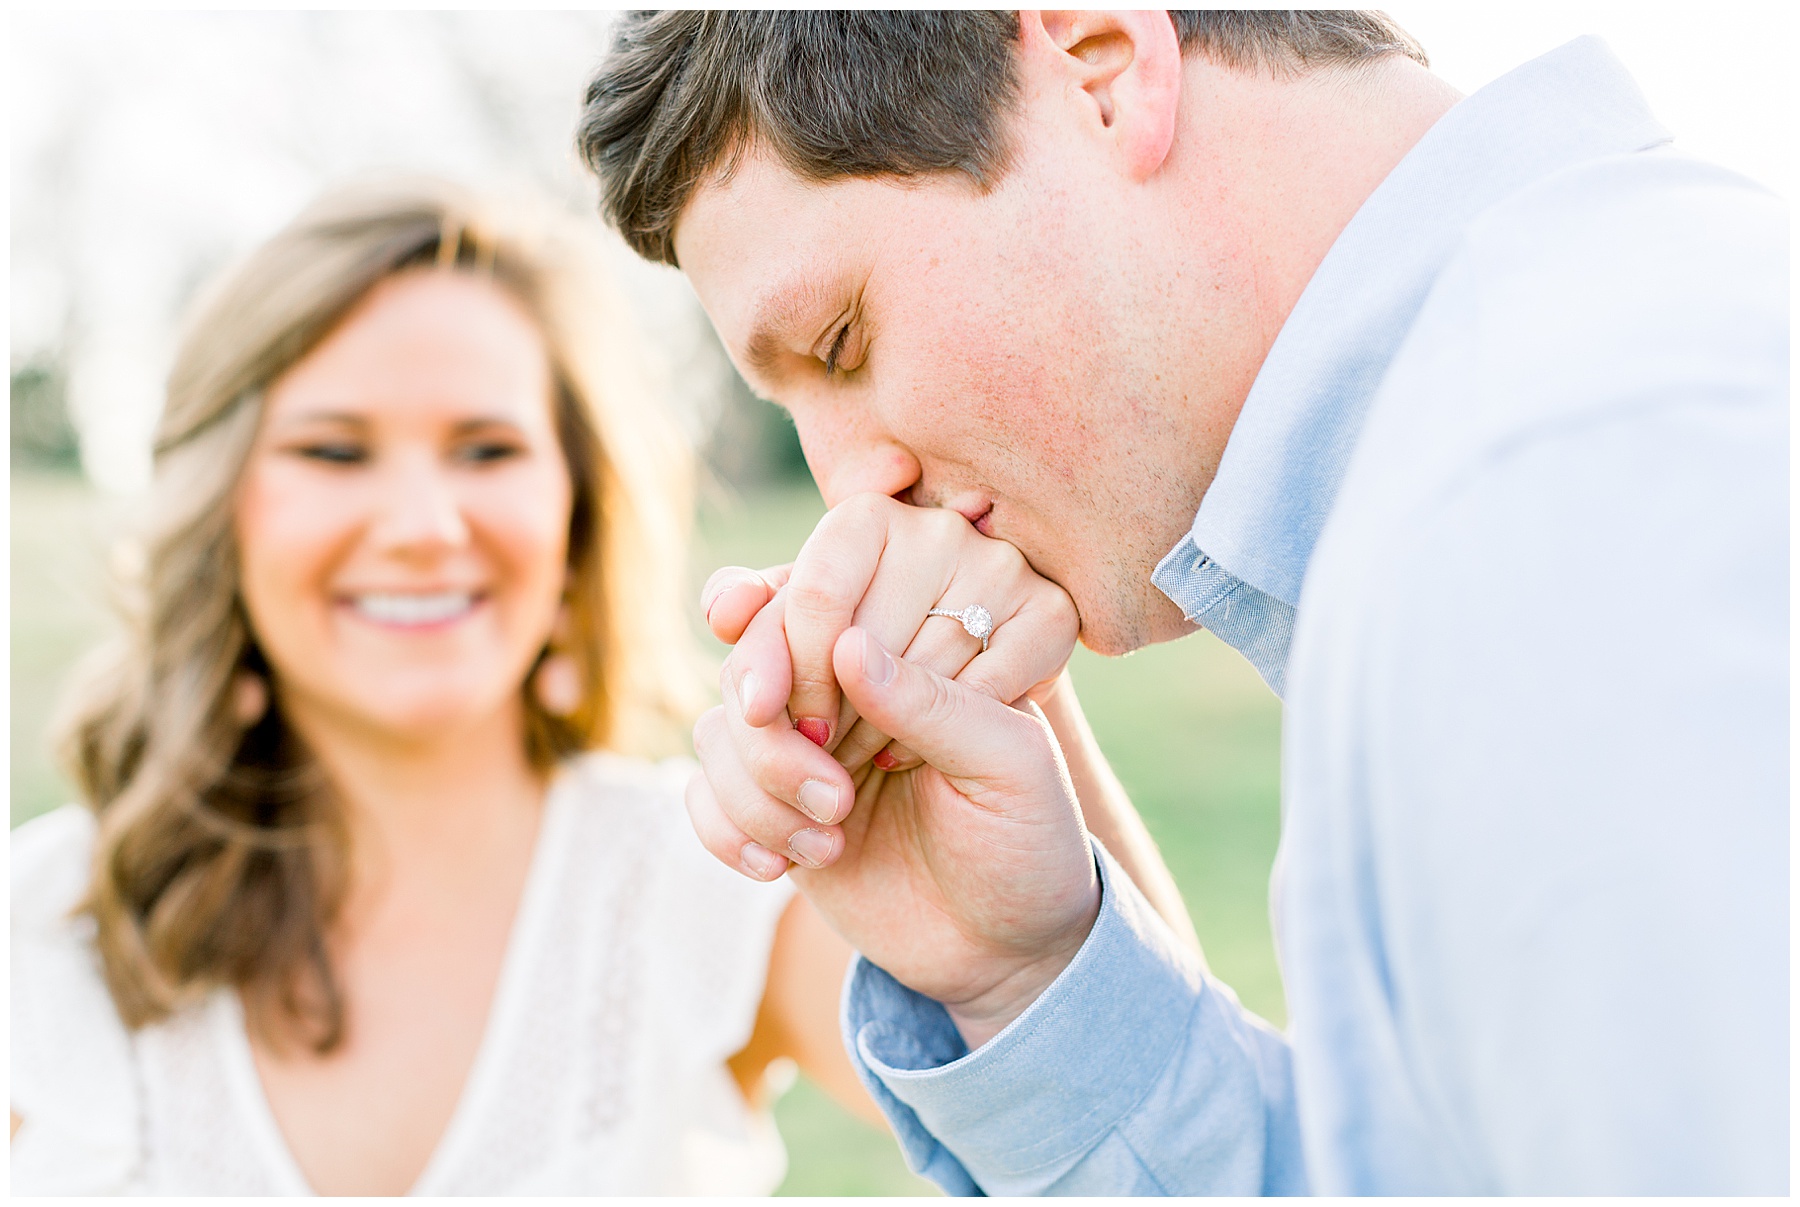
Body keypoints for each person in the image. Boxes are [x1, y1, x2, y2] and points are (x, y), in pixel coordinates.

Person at [577, 10, 1788, 1196]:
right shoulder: (1521, 443)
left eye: (843, 341)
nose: (852, 485)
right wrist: (1024, 977)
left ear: (1100, 67)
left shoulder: (1557, 502)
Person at [13, 177, 881, 1195]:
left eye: (486, 449)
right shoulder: (39, 926)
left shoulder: (722, 883)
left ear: (577, 518)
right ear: (222, 513)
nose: (424, 527)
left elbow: (1049, 1129)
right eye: (334, 450)